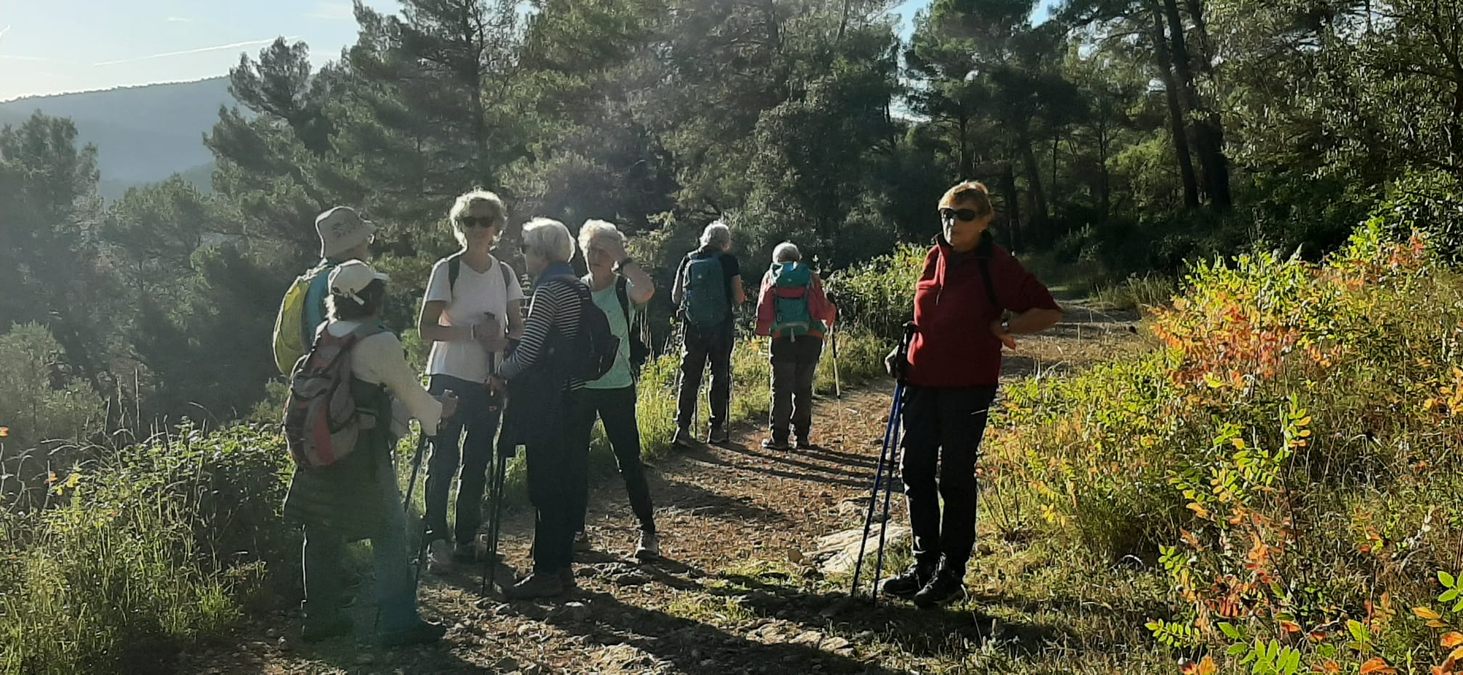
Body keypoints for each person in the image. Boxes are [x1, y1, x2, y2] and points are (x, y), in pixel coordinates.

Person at [881, 181, 1063, 608]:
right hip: (921, 381)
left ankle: (951, 573)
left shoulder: (995, 264)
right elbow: (922, 319)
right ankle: (924, 564)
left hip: (968, 385)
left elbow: (1048, 309)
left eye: (964, 215)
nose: (952, 222)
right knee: (915, 469)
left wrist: (1006, 328)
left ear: (984, 220)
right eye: (946, 213)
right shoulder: (933, 257)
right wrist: (901, 349)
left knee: (956, 476)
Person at [282, 260, 457, 646]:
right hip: (362, 456)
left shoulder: (326, 332)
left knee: (321, 531)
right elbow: (414, 398)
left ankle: (320, 618)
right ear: (374, 298)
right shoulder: (380, 342)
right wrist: (441, 411)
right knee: (389, 531)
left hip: (320, 450)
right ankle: (398, 622)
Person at [416, 190, 526, 571]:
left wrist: (504, 344)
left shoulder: (506, 273)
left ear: (497, 227)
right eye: (469, 221)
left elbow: (518, 328)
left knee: (477, 460)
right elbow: (425, 330)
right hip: (448, 376)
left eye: (485, 220)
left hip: (488, 380)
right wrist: (473, 334)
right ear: (459, 227)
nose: (478, 228)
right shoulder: (447, 269)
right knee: (443, 460)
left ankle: (466, 538)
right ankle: (437, 542)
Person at [489, 218, 589, 600]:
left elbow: (529, 350)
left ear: (542, 253)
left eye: (528, 248)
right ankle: (561, 569)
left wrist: (499, 373)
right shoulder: (577, 286)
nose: (524, 255)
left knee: (545, 486)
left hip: (550, 401)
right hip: (574, 396)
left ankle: (546, 571)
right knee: (563, 484)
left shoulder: (549, 291)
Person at [569, 219, 659, 559]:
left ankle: (647, 530)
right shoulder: (576, 288)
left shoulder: (624, 289)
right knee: (576, 460)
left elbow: (647, 289)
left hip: (617, 386)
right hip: (581, 386)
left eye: (602, 251)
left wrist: (622, 255)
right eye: (591, 249)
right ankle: (577, 530)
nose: (595, 256)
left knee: (628, 460)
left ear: (614, 256)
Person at [272, 206, 376, 375]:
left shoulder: (315, 279)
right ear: (352, 245)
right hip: (340, 380)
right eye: (366, 239)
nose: (367, 245)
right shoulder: (343, 281)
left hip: (316, 380)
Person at [753, 242, 837, 451]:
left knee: (781, 387)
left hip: (782, 338)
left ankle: (779, 438)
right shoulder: (811, 276)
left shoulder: (771, 276)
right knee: (803, 387)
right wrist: (833, 310)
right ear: (797, 258)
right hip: (811, 336)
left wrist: (765, 330)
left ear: (777, 260)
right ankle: (802, 438)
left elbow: (763, 309)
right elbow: (824, 309)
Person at [671, 220, 746, 447]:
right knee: (719, 374)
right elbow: (739, 297)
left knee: (690, 375)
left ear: (704, 238)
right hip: (721, 327)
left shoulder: (689, 259)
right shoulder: (728, 261)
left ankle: (682, 429)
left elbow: (675, 297)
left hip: (693, 328)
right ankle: (715, 430)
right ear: (725, 242)